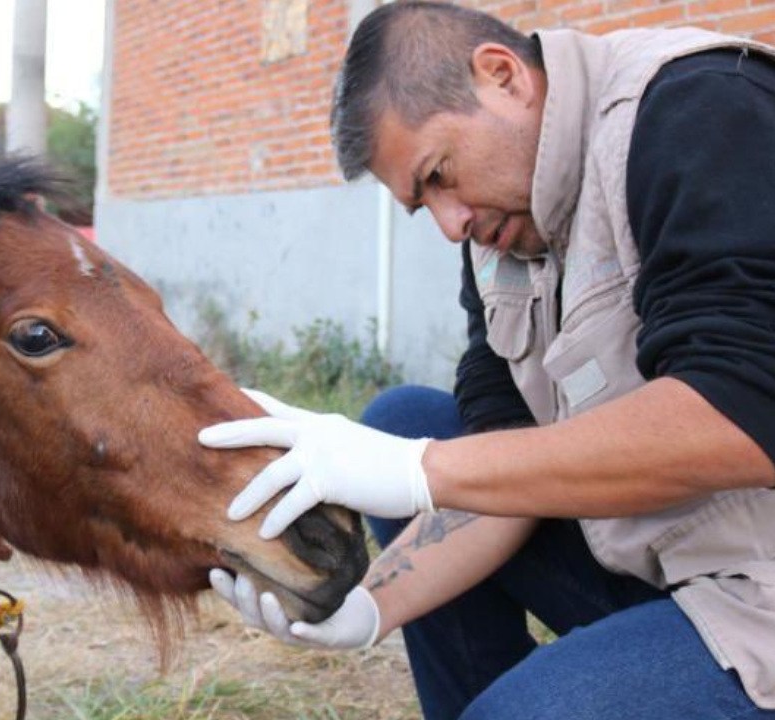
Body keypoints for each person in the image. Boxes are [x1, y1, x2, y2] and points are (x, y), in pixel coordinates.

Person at [198, 2, 775, 718]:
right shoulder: (500, 226)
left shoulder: (697, 110)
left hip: (760, 591)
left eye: (439, 173)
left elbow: (745, 413)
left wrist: (416, 472)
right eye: (422, 204)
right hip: (660, 558)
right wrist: (371, 610)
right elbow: (506, 457)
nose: (450, 225)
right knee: (408, 419)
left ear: (503, 78)